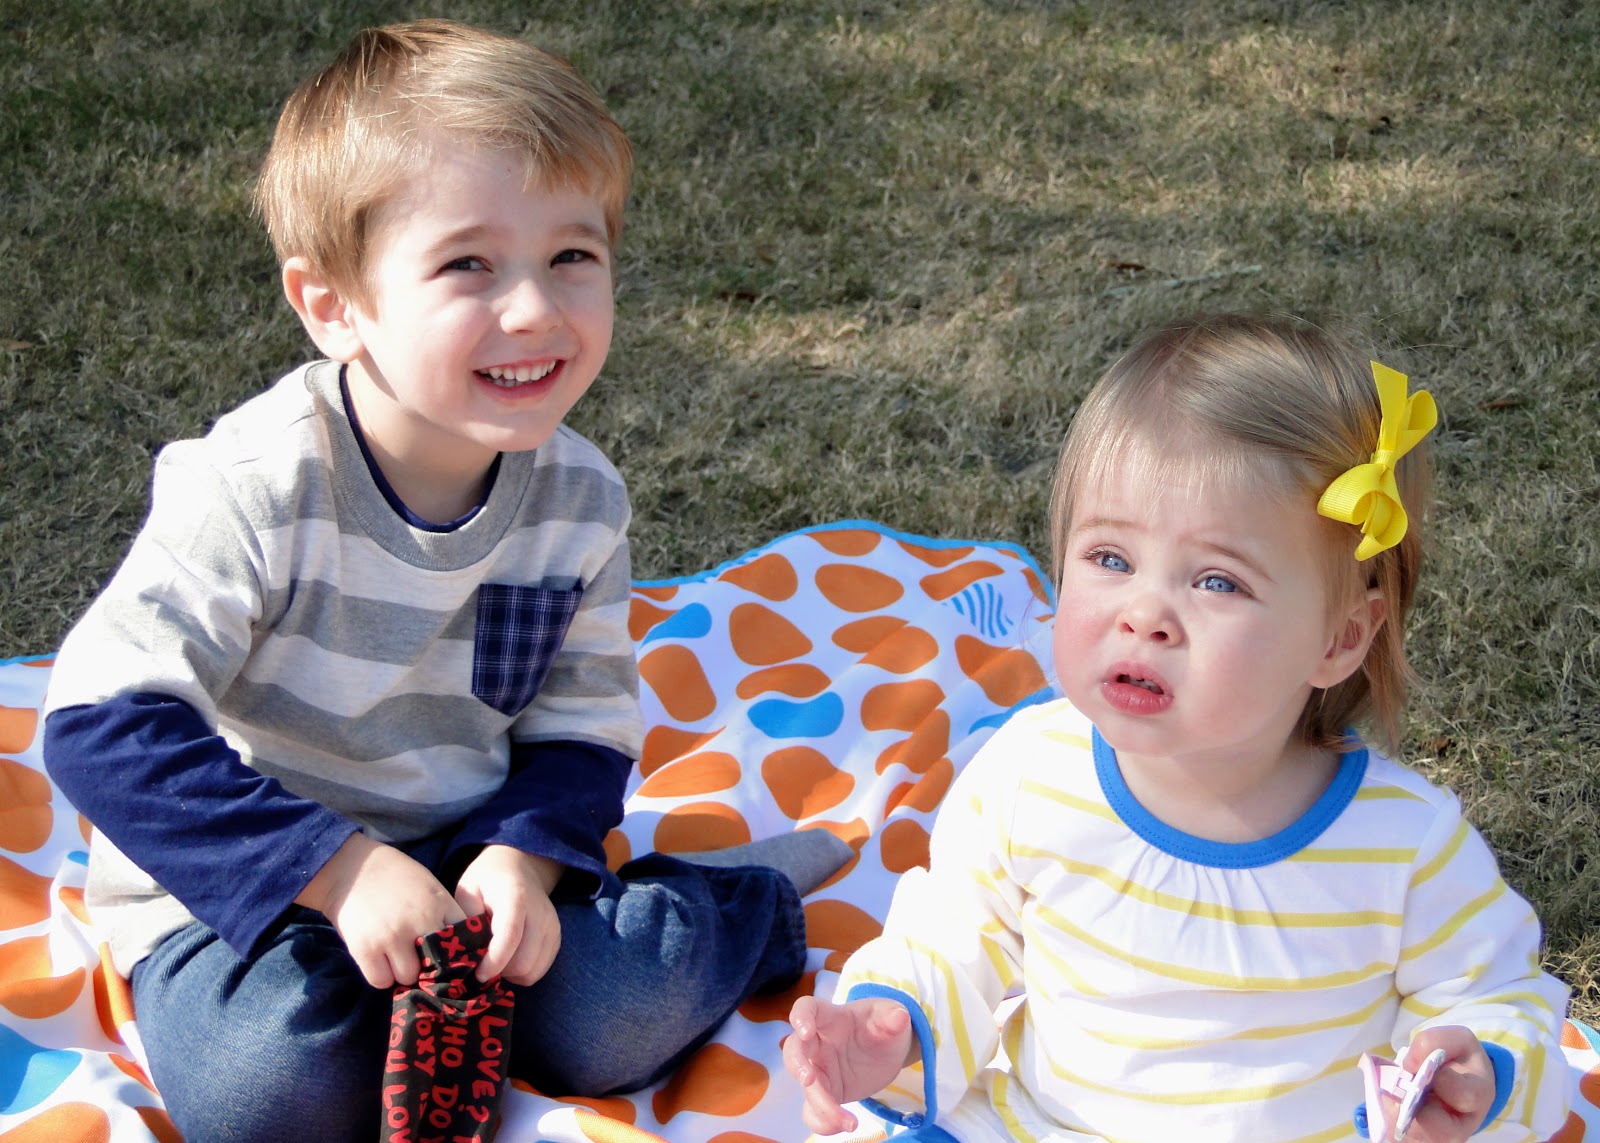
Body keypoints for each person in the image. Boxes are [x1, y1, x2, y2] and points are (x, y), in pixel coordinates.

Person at [41, 19, 847, 1142]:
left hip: (470, 865)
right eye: (469, 264)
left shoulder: (579, 497)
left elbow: (580, 726)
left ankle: (738, 905)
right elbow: (98, 725)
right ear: (334, 305)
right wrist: (336, 872)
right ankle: (392, 1017)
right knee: (272, 1093)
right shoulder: (255, 487)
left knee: (613, 1019)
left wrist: (522, 856)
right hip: (254, 887)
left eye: (572, 256)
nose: (535, 309)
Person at [783, 314, 1570, 1143]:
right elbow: (954, 938)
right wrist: (890, 1022)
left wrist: (1480, 1069)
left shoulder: (1404, 847)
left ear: (1338, 638)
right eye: (1111, 559)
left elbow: (1497, 997)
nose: (1145, 612)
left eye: (1218, 581)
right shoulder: (1030, 775)